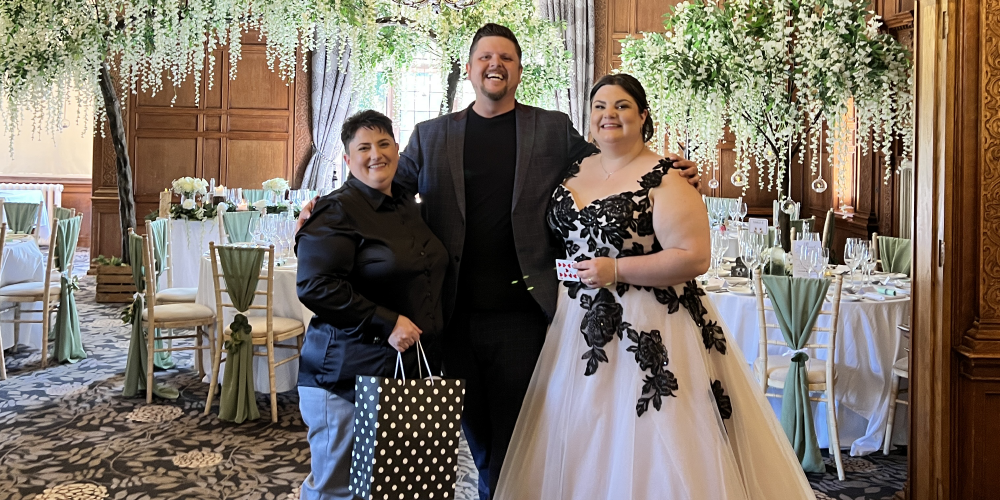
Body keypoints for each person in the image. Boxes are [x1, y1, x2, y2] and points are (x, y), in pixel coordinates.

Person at [297, 23, 701, 500]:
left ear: (519, 71)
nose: (496, 65)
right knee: (477, 438)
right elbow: (380, 194)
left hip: (523, 317)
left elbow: (611, 162)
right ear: (470, 70)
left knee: (515, 442)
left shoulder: (551, 129)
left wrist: (665, 167)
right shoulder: (431, 136)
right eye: (485, 57)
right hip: (451, 320)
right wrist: (326, 208)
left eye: (506, 58)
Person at [493, 74, 817, 499]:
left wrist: (616, 270)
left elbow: (694, 257)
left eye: (622, 106)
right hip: (574, 326)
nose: (609, 115)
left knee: (654, 439)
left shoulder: (667, 176)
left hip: (650, 325)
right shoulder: (573, 167)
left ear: (644, 116)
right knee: (580, 436)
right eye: (600, 107)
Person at [295, 110, 449, 500]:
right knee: (338, 491)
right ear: (348, 159)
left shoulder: (407, 204)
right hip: (346, 376)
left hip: (403, 372)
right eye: (363, 147)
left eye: (383, 144)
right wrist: (387, 321)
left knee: (390, 488)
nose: (376, 154)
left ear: (397, 150)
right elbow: (315, 286)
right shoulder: (335, 209)